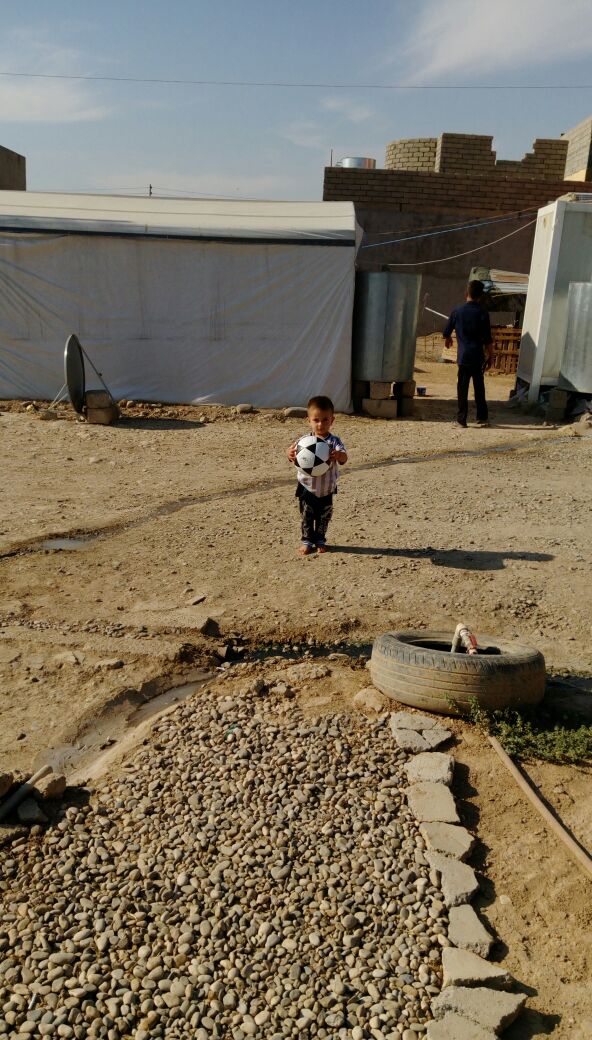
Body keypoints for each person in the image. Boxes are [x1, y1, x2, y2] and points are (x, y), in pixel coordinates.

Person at [287, 395, 348, 556]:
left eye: (325, 420)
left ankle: (320, 539)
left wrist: (338, 455)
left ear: (332, 420)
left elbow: (344, 458)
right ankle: (307, 541)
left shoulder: (334, 442)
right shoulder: (303, 441)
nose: (320, 424)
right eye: (316, 420)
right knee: (307, 516)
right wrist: (289, 454)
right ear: (309, 420)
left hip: (327, 488)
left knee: (324, 516)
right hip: (306, 487)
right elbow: (291, 454)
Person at [443, 280, 494, 428]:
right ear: (480, 296)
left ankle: (462, 419)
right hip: (477, 357)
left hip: (464, 357)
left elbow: (446, 331)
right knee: (479, 388)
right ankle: (482, 417)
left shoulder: (457, 311)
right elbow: (488, 339)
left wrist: (448, 339)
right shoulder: (483, 313)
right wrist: (491, 356)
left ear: (466, 294)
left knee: (462, 388)